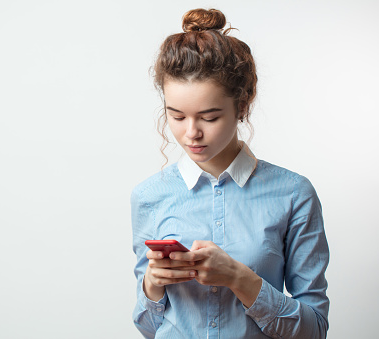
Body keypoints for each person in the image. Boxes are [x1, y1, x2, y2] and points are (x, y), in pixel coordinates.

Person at [131, 8, 329, 339]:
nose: (191, 133)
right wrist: (151, 286)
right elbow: (148, 328)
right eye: (177, 116)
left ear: (243, 104)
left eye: (209, 118)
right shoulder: (148, 196)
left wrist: (239, 278)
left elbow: (314, 330)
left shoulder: (294, 194)